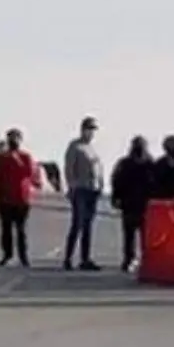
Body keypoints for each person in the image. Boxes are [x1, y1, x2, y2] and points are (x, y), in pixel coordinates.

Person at [0, 128, 38, 266]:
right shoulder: (2, 157)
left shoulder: (26, 157)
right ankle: (7, 255)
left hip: (22, 198)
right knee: (6, 229)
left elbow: (28, 173)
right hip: (4, 198)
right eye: (11, 139)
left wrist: (15, 158)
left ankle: (23, 256)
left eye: (16, 139)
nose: (13, 142)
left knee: (21, 230)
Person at [62, 116, 104, 271]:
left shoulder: (93, 148)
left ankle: (85, 258)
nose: (91, 133)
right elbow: (69, 168)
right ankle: (68, 258)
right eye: (89, 129)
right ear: (83, 130)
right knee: (77, 224)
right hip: (80, 189)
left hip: (93, 190)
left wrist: (101, 185)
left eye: (93, 130)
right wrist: (71, 186)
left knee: (88, 226)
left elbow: (99, 168)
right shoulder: (75, 146)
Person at [110, 136, 155, 272]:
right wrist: (116, 196)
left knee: (135, 235)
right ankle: (132, 259)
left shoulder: (144, 164)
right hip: (134, 203)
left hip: (137, 203)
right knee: (135, 235)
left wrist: (116, 197)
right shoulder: (146, 164)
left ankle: (134, 259)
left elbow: (116, 180)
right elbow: (117, 181)